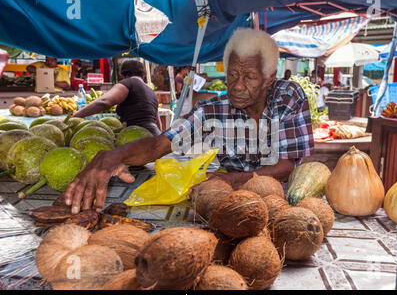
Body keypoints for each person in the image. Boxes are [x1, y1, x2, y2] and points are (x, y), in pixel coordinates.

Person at [65, 28, 314, 214]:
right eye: (233, 74)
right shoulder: (212, 110)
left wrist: (232, 179)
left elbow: (285, 166)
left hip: (282, 200)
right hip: (230, 200)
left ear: (269, 78)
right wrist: (114, 156)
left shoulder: (287, 97)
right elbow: (158, 146)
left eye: (249, 77)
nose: (237, 86)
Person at [72, 59, 162, 136]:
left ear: (122, 74)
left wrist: (75, 116)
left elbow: (104, 102)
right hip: (153, 136)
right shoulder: (151, 92)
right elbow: (158, 124)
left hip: (137, 136)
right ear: (143, 75)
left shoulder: (128, 83)